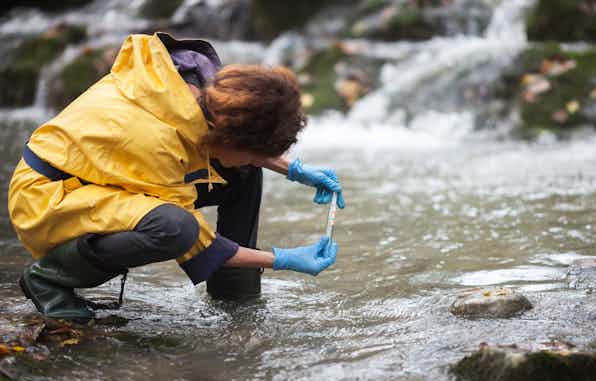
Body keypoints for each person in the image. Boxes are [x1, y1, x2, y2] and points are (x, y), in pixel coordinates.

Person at [7, 32, 345, 322]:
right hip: (50, 197)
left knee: (243, 172)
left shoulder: (201, 90)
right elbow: (197, 243)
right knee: (174, 227)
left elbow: (241, 149)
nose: (259, 160)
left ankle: (234, 295)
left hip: (97, 175)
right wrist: (283, 259)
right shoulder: (158, 142)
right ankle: (49, 280)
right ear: (228, 137)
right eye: (254, 152)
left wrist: (296, 171)